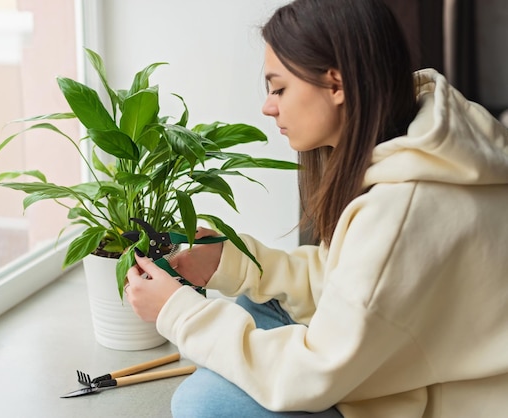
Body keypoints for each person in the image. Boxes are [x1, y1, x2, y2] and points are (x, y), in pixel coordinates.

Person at [124, 0, 508, 416]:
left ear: (336, 84)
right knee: (259, 300)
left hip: (432, 396)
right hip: (398, 351)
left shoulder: (401, 211)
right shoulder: (417, 138)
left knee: (204, 402)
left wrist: (178, 313)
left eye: (279, 88)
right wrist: (231, 262)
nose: (268, 106)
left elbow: (314, 370)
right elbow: (347, 281)